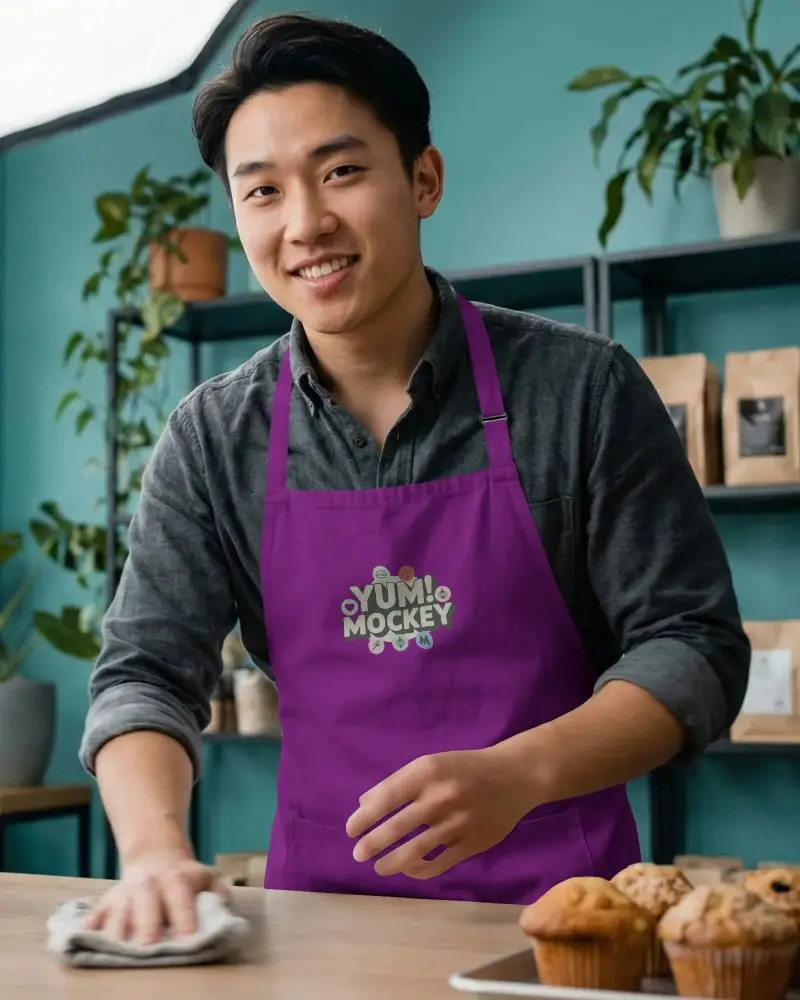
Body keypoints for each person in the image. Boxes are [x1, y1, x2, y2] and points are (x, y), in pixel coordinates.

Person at [79, 12, 750, 943]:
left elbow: (693, 645)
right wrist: (153, 848)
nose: (306, 223)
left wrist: (522, 773)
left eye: (341, 171)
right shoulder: (213, 437)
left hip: (562, 927)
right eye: (262, 191)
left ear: (422, 179)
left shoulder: (580, 389)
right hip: (320, 928)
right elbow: (145, 675)